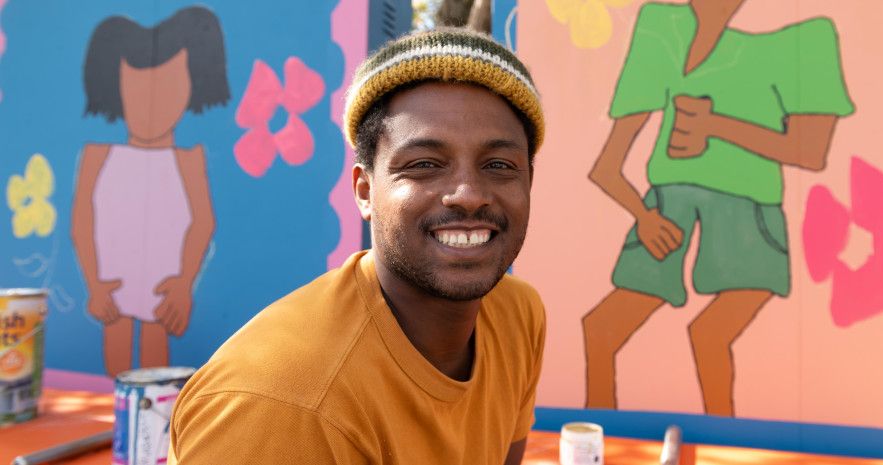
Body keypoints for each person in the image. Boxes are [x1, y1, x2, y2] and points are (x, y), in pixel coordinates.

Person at [168, 28, 546, 464]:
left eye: (499, 165)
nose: (468, 193)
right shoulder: (278, 405)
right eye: (424, 164)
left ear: (529, 185)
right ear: (365, 192)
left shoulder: (519, 317)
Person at [583, 0, 853, 415]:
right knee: (601, 330)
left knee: (710, 334)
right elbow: (606, 167)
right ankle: (595, 440)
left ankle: (724, 443)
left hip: (748, 213)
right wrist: (645, 217)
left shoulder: (806, 36)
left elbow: (812, 151)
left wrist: (715, 126)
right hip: (669, 205)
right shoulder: (662, 27)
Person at [71, 6, 228, 377]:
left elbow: (203, 222)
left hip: (163, 285)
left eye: (172, 87)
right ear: (116, 87)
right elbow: (82, 221)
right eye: (134, 88)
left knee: (156, 356)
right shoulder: (98, 155)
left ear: (192, 87)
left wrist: (183, 284)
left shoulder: (189, 160)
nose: (150, 106)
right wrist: (94, 284)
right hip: (112, 280)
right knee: (117, 346)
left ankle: (152, 429)